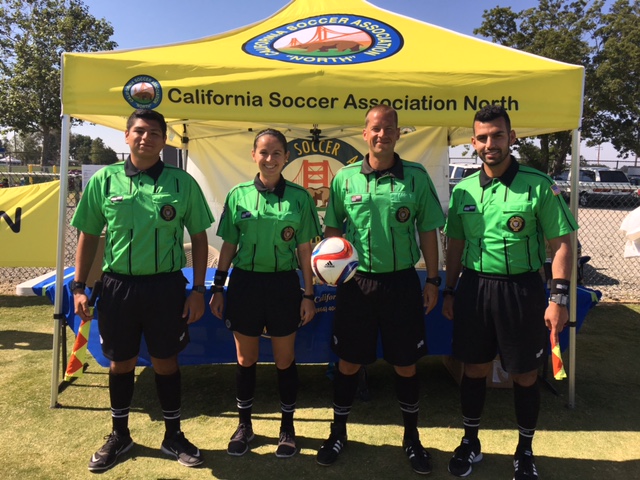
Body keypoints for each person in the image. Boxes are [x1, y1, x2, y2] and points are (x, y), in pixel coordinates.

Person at [71, 109, 214, 472]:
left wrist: (198, 289)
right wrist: (79, 286)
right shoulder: (105, 181)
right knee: (121, 363)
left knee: (166, 361)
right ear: (126, 135)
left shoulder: (182, 183)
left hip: (165, 287)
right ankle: (120, 435)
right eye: (139, 131)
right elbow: (88, 235)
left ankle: (173, 435)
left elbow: (199, 239)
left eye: (153, 133)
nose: (146, 138)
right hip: (118, 286)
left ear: (164, 140)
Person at [443, 105, 578, 480]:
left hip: (522, 290)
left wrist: (559, 298)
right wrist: (450, 290)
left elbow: (562, 245)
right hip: (474, 288)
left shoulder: (538, 185)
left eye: (498, 135)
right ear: (473, 143)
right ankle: (471, 442)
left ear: (512, 137)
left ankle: (524, 450)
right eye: (483, 138)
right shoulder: (464, 189)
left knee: (524, 374)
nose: (490, 144)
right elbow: (454, 246)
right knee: (475, 368)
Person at [316, 105, 445, 475]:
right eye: (375, 129)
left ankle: (412, 438)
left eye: (389, 129)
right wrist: (329, 266)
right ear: (364, 133)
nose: (382, 135)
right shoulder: (345, 179)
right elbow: (333, 232)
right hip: (356, 284)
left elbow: (429, 232)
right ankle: (337, 433)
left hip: (403, 282)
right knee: (348, 362)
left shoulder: (416, 177)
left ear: (398, 133)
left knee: (405, 364)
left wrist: (433, 280)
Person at [209, 128, 322, 458]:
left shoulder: (300, 198)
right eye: (264, 152)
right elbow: (228, 245)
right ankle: (244, 425)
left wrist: (309, 294)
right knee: (246, 359)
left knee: (285, 360)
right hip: (245, 283)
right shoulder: (238, 194)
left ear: (287, 157)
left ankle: (287, 428)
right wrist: (218, 286)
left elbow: (305, 251)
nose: (270, 159)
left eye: (277, 153)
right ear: (253, 155)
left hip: (283, 285)